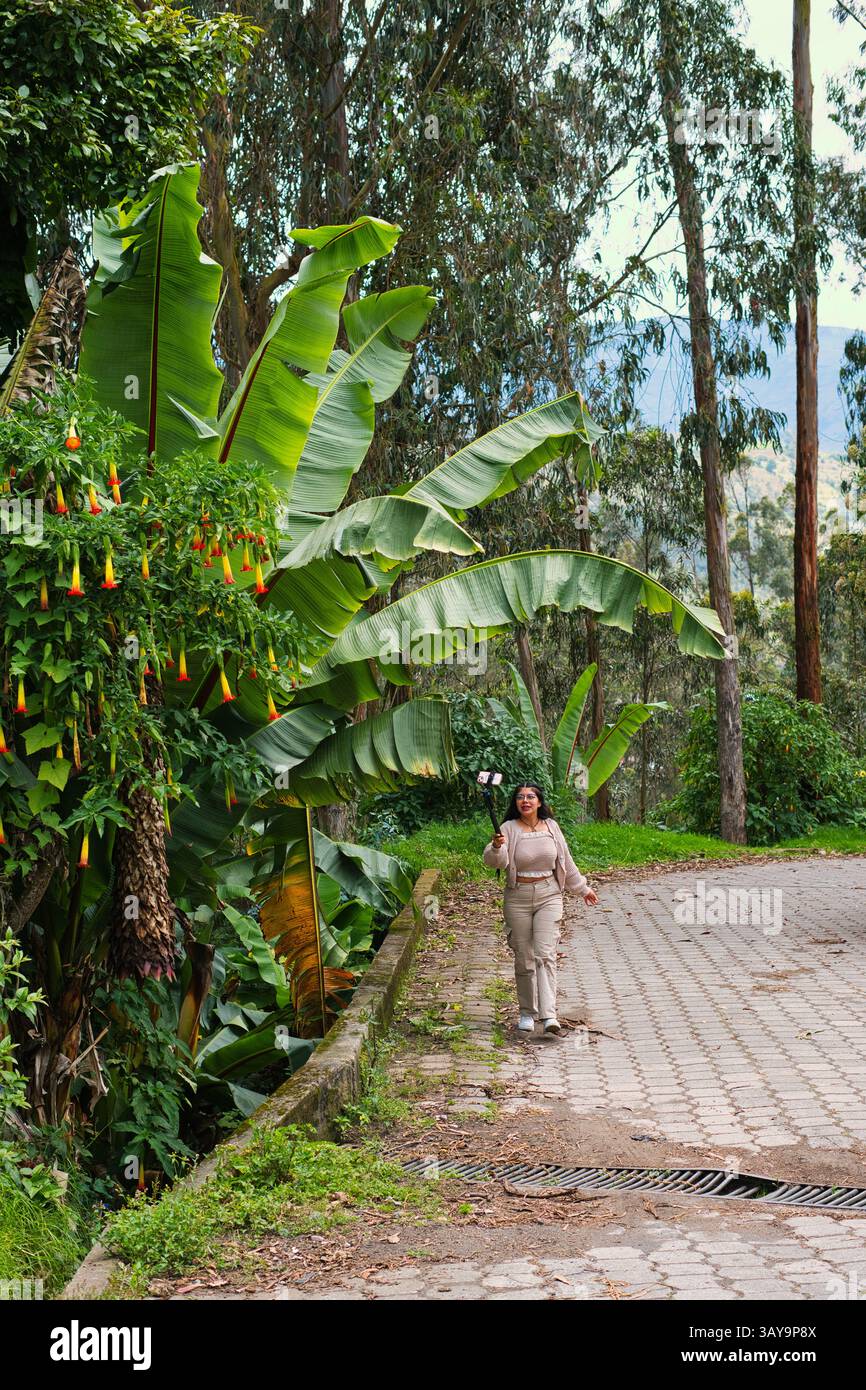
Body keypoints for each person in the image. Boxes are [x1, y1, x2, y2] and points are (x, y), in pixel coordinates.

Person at [483, 783, 598, 1035]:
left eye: (531, 797)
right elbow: (496, 863)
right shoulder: (507, 829)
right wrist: (496, 847)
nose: (525, 801)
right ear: (515, 803)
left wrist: (583, 888)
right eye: (520, 797)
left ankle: (549, 1015)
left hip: (549, 894)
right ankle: (527, 1012)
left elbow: (565, 861)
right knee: (523, 957)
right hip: (518, 896)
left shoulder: (551, 827)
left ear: (539, 801)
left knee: (545, 953)